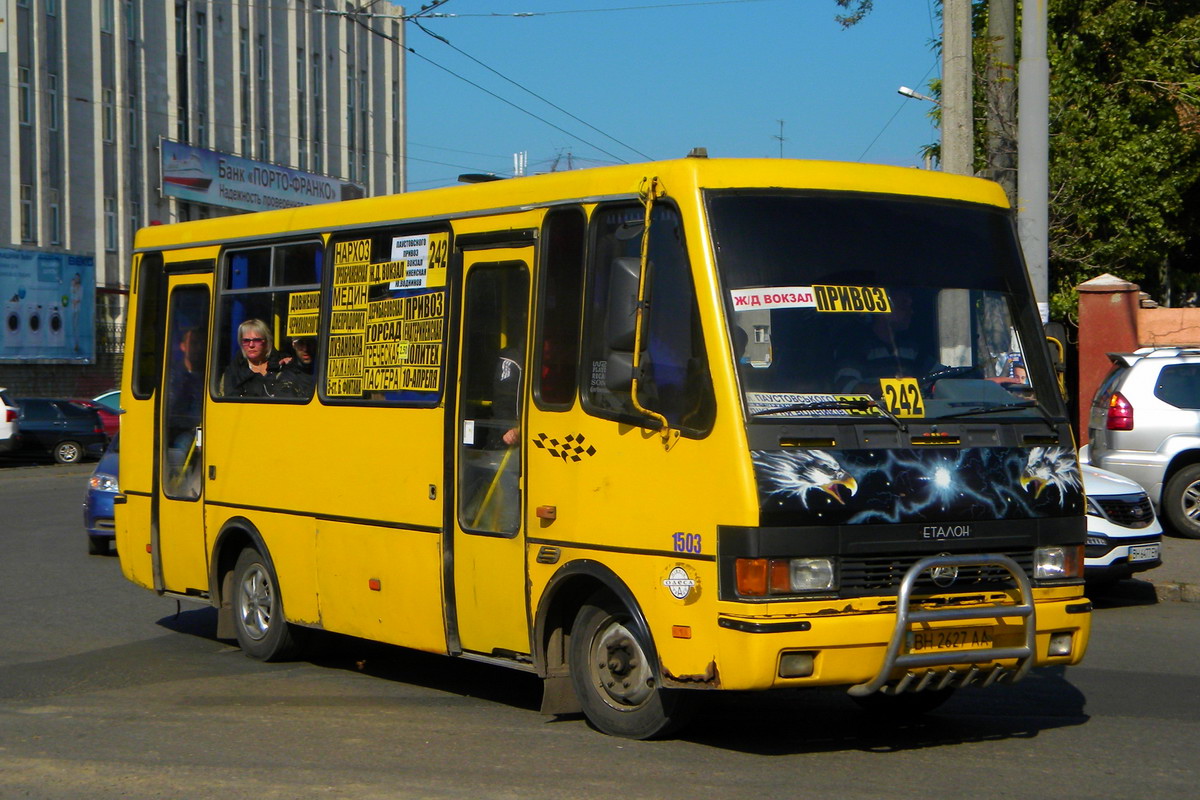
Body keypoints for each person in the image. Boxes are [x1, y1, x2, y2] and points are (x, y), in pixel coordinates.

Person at [220, 319, 287, 397]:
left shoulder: (282, 366)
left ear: (266, 342)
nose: (251, 345)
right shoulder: (233, 372)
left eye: (257, 340)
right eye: (246, 341)